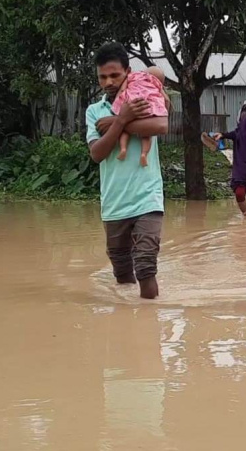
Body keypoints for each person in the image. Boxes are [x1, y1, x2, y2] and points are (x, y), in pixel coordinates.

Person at [86, 42, 169, 299]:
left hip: (147, 199)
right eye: (103, 77)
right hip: (114, 205)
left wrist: (117, 121)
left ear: (128, 72)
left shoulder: (145, 99)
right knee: (122, 275)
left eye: (115, 75)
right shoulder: (94, 112)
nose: (108, 82)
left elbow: (160, 125)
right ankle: (124, 329)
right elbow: (97, 153)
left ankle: (148, 328)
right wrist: (122, 119)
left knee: (145, 268)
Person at [113, 66, 169, 166]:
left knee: (125, 130)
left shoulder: (133, 76)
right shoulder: (156, 82)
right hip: (147, 108)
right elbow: (167, 100)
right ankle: (144, 154)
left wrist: (118, 101)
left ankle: (123, 148)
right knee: (147, 134)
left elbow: (122, 90)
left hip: (132, 106)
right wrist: (162, 111)